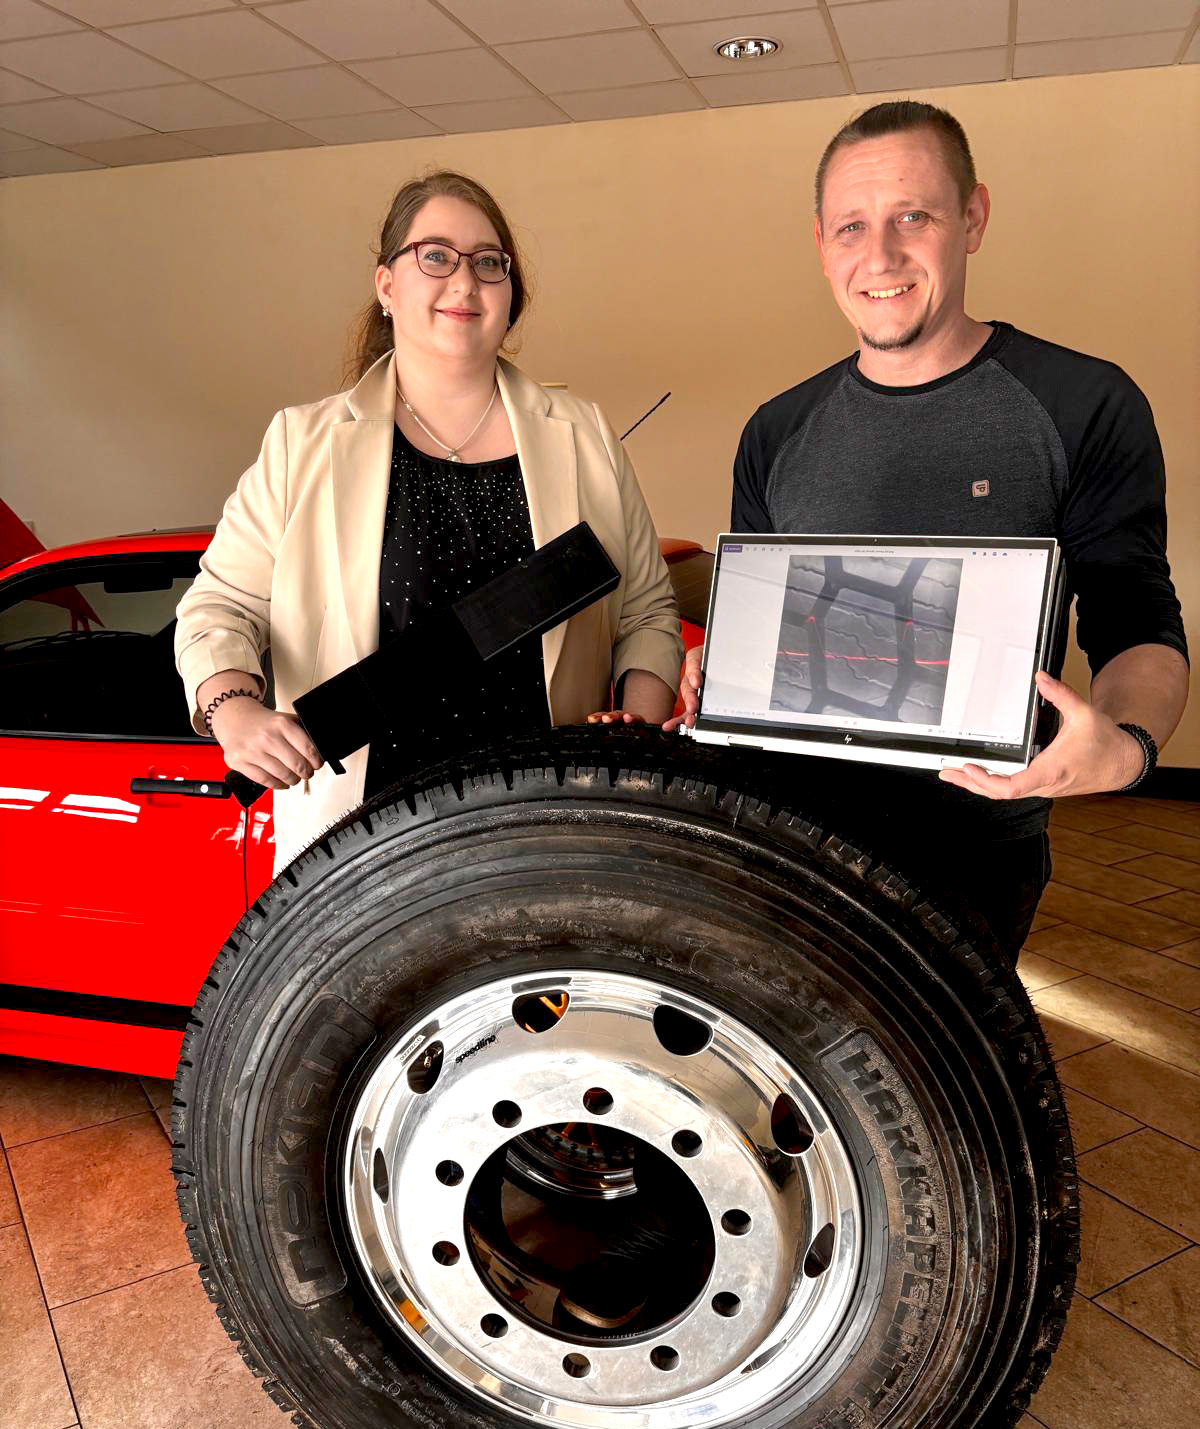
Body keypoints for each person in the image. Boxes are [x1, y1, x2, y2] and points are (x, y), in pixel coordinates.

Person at [673, 100, 1189, 962]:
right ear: (821, 243)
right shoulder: (776, 430)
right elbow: (764, 637)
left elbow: (1135, 620)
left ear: (973, 218)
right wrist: (718, 669)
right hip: (789, 843)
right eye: (852, 226)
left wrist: (1128, 750)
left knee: (942, 1095)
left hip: (976, 853)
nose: (880, 256)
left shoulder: (1084, 404)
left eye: (914, 216)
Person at [176, 171, 681, 870]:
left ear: (511, 291)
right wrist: (233, 709)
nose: (464, 282)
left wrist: (638, 721)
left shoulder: (583, 432)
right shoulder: (303, 441)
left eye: (488, 262)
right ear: (387, 285)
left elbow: (648, 611)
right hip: (364, 837)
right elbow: (219, 606)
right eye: (435, 255)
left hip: (549, 824)